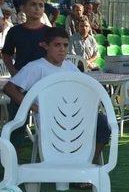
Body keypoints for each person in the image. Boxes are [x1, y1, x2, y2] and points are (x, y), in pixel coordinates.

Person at [3, 27, 111, 167]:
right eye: (57, 45)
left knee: (103, 123)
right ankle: (76, 169)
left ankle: (86, 164)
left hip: (74, 114)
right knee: (79, 128)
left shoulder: (70, 66)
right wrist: (34, 107)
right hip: (51, 119)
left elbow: (83, 88)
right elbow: (9, 88)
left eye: (65, 45)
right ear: (46, 46)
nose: (62, 49)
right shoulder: (36, 67)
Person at [1, 0, 49, 76]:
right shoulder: (14, 31)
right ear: (23, 8)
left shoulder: (50, 32)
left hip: (44, 78)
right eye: (33, 4)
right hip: (21, 77)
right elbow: (6, 54)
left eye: (41, 5)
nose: (37, 8)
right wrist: (13, 72)